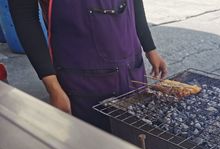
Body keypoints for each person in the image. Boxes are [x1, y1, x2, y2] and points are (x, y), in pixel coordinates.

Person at [9, 0, 167, 131]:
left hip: (131, 67)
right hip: (83, 79)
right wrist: (53, 87)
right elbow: (24, 17)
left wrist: (150, 47)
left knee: (137, 138)